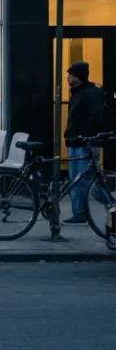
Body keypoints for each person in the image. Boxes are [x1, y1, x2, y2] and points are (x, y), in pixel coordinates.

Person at [63, 61, 105, 226]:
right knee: (77, 178)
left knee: (86, 180)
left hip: (85, 143)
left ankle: (109, 204)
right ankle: (79, 212)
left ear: (78, 77)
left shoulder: (91, 93)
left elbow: (94, 118)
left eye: (70, 75)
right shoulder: (77, 93)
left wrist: (85, 135)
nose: (68, 78)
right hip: (75, 142)